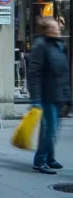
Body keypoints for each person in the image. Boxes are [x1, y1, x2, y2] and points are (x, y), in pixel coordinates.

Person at [27, 16, 71, 174]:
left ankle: (50, 158)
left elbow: (64, 71)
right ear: (47, 30)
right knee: (49, 129)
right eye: (55, 27)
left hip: (58, 94)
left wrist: (68, 96)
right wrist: (36, 99)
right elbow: (34, 73)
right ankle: (39, 161)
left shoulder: (59, 45)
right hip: (45, 94)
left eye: (58, 27)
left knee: (54, 129)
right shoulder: (40, 46)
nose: (58, 29)